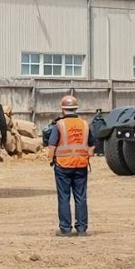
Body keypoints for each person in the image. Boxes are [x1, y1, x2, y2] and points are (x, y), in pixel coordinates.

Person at [46, 94, 95, 236]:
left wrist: (51, 159)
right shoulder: (85, 124)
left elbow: (52, 146)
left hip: (63, 166)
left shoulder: (59, 125)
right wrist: (84, 155)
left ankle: (65, 229)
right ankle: (81, 229)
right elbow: (92, 147)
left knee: (64, 197)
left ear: (63, 109)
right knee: (80, 197)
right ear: (76, 109)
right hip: (81, 165)